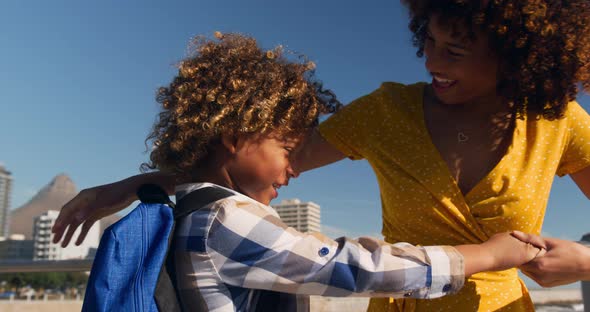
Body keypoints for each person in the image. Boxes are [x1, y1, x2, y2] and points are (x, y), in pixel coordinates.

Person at [52, 0, 590, 310]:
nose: (431, 61)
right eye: (427, 40)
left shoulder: (562, 123)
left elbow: (254, 153)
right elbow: (256, 160)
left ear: (519, 55)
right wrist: (134, 184)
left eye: (455, 50)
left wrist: (586, 262)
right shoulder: (384, 112)